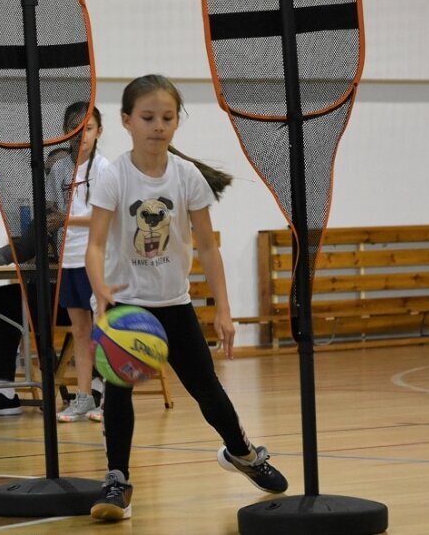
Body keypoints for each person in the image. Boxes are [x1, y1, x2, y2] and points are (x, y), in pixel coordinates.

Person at [85, 74, 287, 522]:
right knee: (118, 396)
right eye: (148, 117)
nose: (158, 125)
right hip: (127, 308)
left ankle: (242, 453)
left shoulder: (187, 176)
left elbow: (209, 246)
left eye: (167, 117)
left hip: (175, 305)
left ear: (178, 122)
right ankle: (117, 479)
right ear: (126, 121)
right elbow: (96, 244)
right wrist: (100, 288)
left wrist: (225, 313)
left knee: (207, 391)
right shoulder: (115, 176)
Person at [0, 102, 107, 419]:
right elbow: (32, 238)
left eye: (87, 127)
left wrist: (66, 221)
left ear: (99, 132)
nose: (80, 134)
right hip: (60, 284)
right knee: (1, 298)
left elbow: (110, 221)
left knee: (98, 323)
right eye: (74, 127)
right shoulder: (53, 188)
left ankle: (100, 389)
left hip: (98, 273)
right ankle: (3, 391)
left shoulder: (106, 172)